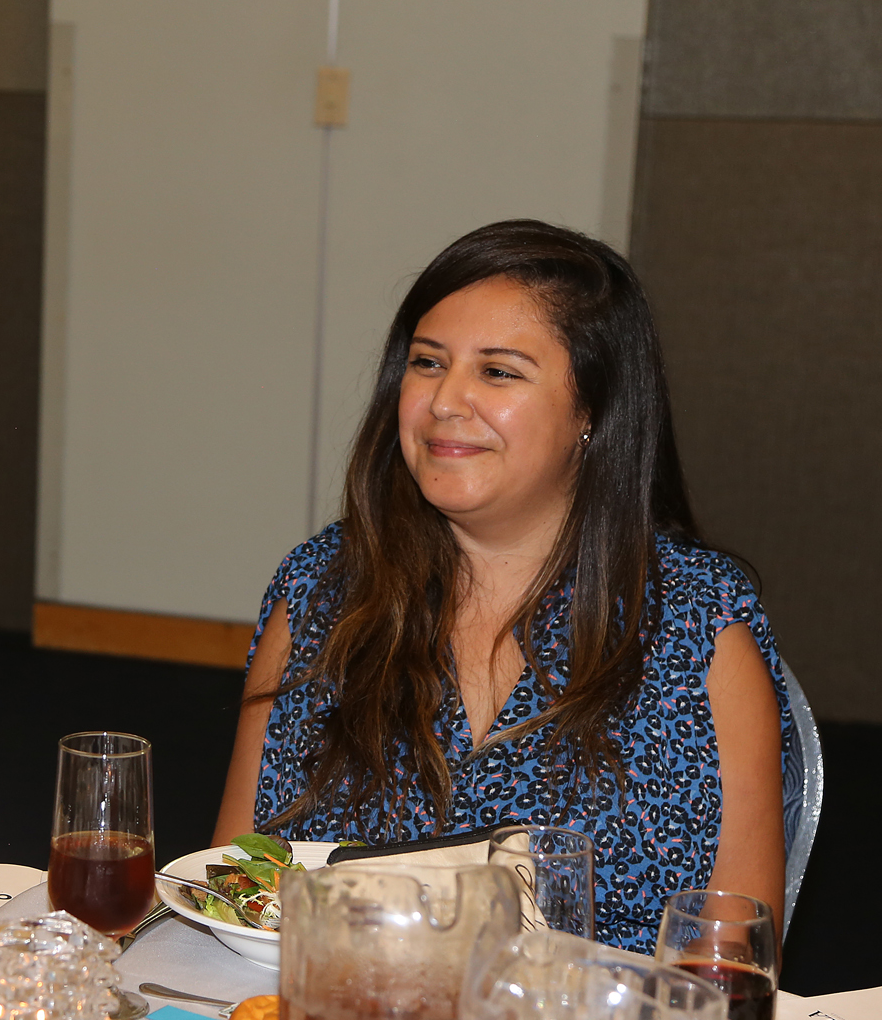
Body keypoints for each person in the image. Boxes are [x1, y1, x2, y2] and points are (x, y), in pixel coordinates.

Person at [212, 220, 791, 952]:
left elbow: (731, 953)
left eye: (498, 371)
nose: (445, 401)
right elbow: (233, 884)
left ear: (592, 412)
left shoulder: (696, 628)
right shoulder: (325, 594)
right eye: (426, 364)